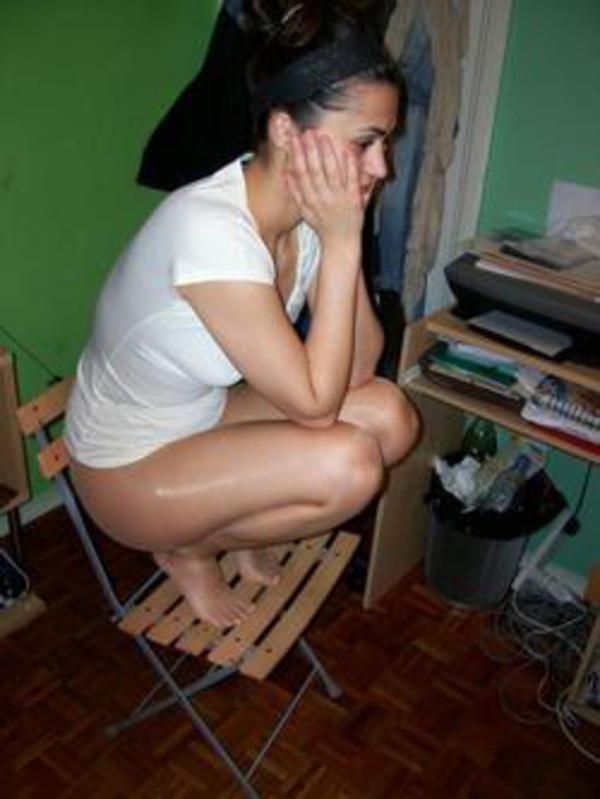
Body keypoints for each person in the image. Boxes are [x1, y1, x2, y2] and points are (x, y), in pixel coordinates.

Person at [65, 4, 420, 629]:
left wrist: (342, 239)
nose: (380, 167)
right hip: (124, 466)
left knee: (391, 416)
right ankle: (190, 549)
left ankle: (242, 515)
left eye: (385, 143)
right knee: (350, 465)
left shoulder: (304, 216)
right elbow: (316, 406)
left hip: (201, 417)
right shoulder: (210, 230)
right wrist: (343, 243)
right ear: (285, 131)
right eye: (364, 142)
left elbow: (359, 370)